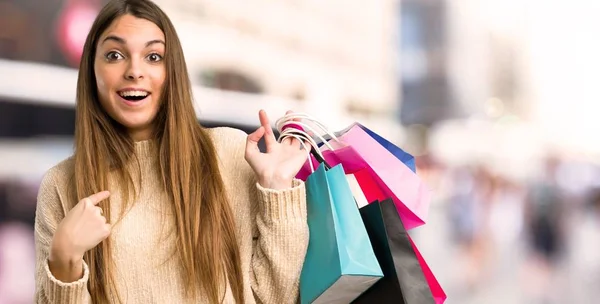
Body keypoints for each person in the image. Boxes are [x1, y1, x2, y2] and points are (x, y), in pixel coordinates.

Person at [33, 0, 310, 303]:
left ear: (172, 71)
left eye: (153, 56)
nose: (134, 71)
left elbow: (278, 297)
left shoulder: (229, 153)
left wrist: (277, 190)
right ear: (91, 71)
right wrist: (64, 260)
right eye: (114, 55)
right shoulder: (60, 185)